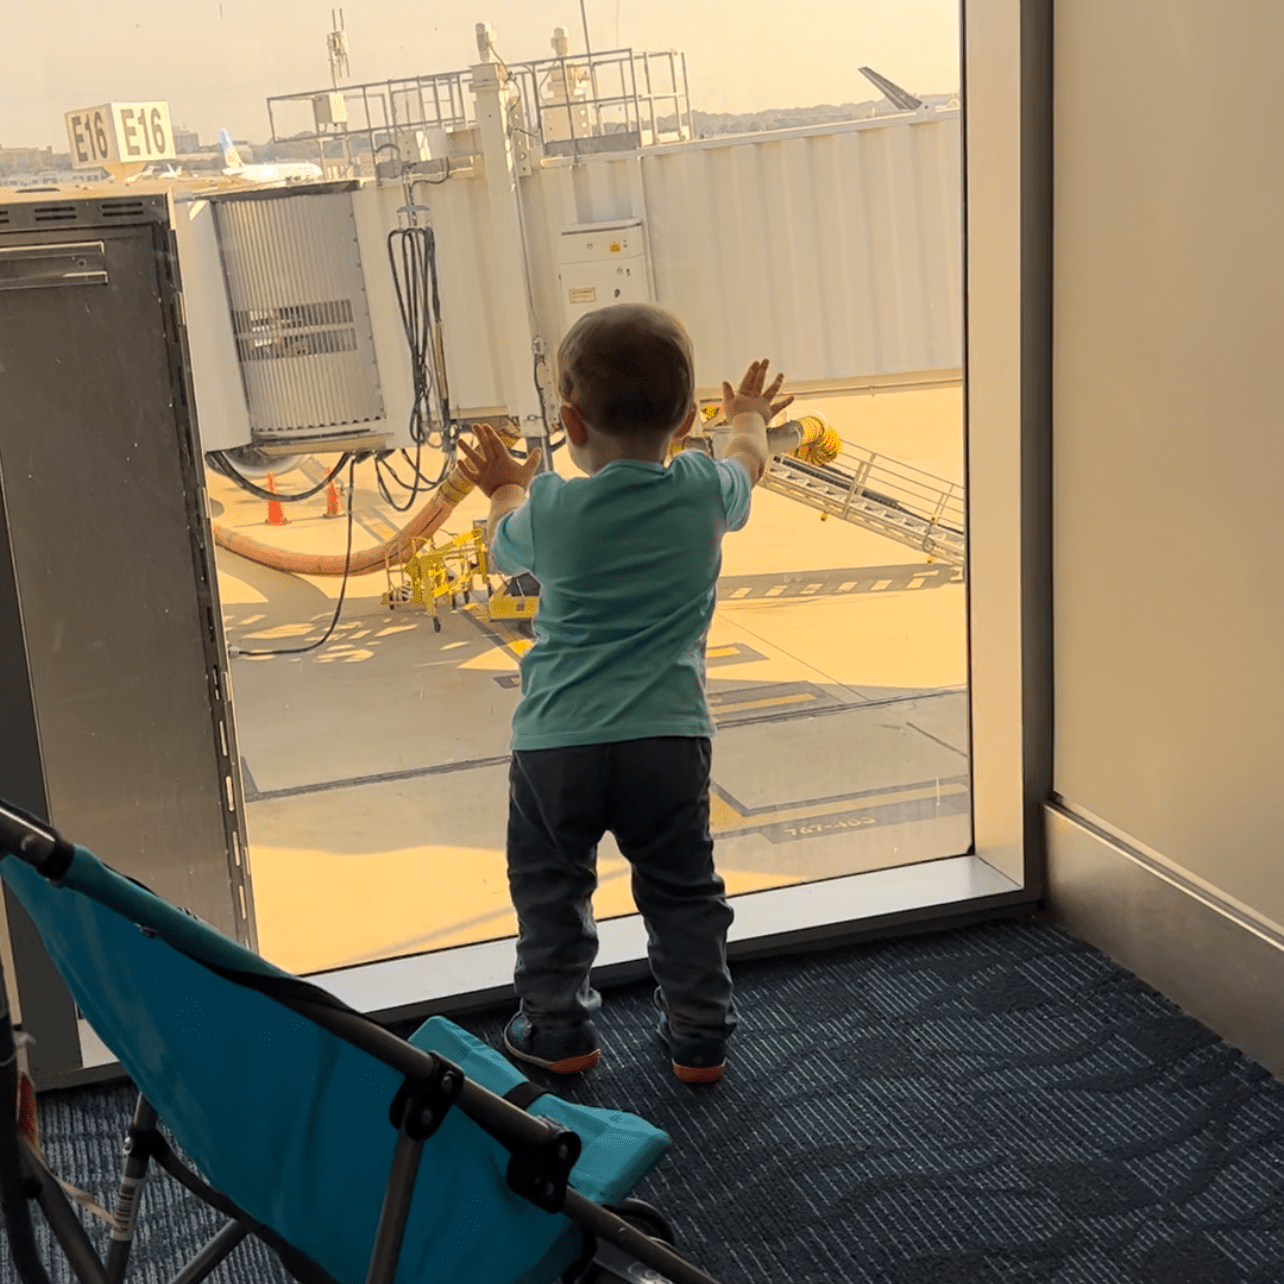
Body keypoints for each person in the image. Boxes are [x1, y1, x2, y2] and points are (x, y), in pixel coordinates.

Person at [457, 303, 791, 1084]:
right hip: (668, 738)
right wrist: (746, 416)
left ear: (570, 422)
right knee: (682, 890)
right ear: (686, 422)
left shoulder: (553, 507)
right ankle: (700, 1035)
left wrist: (504, 485)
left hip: (558, 742)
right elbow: (750, 460)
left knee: (551, 888)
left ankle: (558, 1029)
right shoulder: (704, 490)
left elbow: (503, 540)